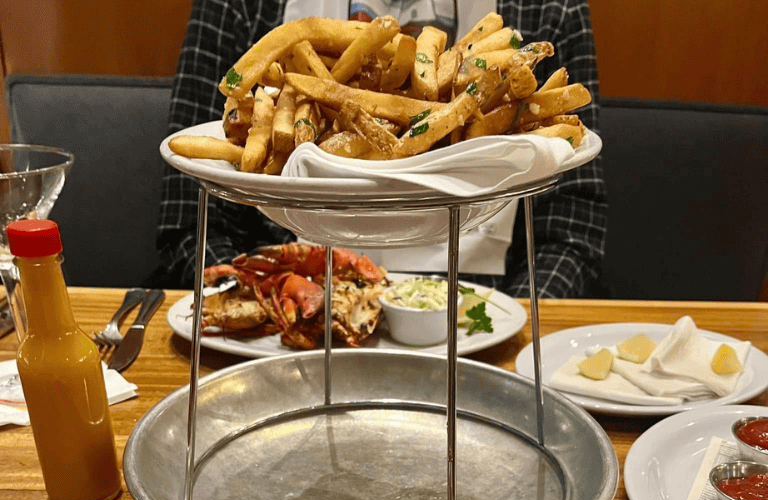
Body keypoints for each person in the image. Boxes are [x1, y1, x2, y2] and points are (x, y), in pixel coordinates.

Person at [156, 0, 607, 299]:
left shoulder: (551, 6)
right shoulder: (243, 6)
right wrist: (268, 307)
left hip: (485, 308)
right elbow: (189, 221)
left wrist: (504, 324)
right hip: (298, 305)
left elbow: (573, 234)